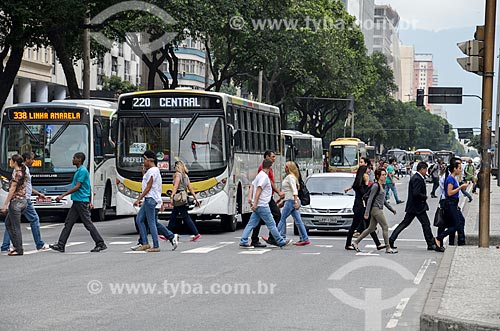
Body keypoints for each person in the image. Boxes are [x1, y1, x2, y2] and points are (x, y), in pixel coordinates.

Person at [49, 152, 107, 253]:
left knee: (88, 224)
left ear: (79, 159)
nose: (72, 160)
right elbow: (88, 187)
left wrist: (63, 195)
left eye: (74, 158)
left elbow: (77, 186)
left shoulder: (82, 171)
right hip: (77, 201)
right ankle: (61, 245)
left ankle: (100, 243)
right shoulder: (79, 170)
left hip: (81, 201)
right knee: (68, 223)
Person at [1, 152, 49, 252]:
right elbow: (14, 188)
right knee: (34, 219)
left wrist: (38, 194)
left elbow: (25, 186)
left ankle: (6, 245)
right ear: (26, 159)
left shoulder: (20, 170)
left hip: (18, 200)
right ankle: (38, 244)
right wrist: (5, 204)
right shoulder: (22, 171)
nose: (33, 161)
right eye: (31, 159)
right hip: (23, 200)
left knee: (10, 222)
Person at [132, 150, 178, 252]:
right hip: (150, 199)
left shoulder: (153, 171)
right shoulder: (152, 171)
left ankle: (156, 245)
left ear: (149, 160)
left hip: (150, 199)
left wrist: (138, 199)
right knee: (139, 219)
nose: (143, 162)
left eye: (144, 159)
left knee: (151, 223)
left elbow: (149, 187)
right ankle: (145, 243)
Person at [240, 159, 292, 248]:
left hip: (258, 205)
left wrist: (250, 198)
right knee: (271, 224)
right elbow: (259, 190)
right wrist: (255, 203)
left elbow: (252, 185)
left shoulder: (259, 175)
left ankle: (243, 240)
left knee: (251, 224)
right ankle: (280, 241)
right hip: (262, 205)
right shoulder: (264, 177)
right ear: (270, 167)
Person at [389, 161, 436, 251]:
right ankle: (430, 243)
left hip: (414, 206)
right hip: (417, 206)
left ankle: (392, 239)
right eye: (425, 169)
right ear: (422, 169)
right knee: (425, 224)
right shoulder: (417, 178)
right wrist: (424, 197)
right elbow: (416, 193)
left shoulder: (417, 177)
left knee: (405, 223)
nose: (426, 171)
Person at [353, 168, 397, 254]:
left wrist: (391, 209)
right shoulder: (375, 186)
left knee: (370, 228)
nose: (384, 176)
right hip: (376, 210)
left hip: (378, 209)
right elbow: (370, 199)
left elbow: (383, 200)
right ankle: (388, 247)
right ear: (378, 176)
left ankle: (356, 242)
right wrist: (366, 213)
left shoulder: (381, 186)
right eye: (383, 175)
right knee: (385, 227)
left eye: (385, 175)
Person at [344, 165, 385, 251]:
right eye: (367, 170)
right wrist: (366, 183)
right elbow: (364, 194)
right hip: (360, 206)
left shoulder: (357, 181)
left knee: (370, 226)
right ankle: (348, 244)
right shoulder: (360, 182)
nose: (368, 172)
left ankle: (378, 244)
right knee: (355, 225)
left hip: (360, 205)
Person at [434, 158, 469, 252]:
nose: (461, 170)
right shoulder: (450, 179)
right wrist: (461, 187)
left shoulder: (453, 178)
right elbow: (449, 193)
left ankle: (449, 242)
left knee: (455, 224)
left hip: (453, 203)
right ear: (454, 168)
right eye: (459, 168)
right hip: (450, 203)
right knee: (456, 224)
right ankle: (438, 238)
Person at [253, 151, 284, 247]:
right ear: (267, 157)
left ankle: (255, 239)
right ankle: (272, 238)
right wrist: (278, 192)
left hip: (267, 197)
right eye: (273, 157)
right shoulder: (264, 168)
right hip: (265, 198)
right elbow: (269, 182)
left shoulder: (268, 168)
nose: (274, 158)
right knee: (277, 214)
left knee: (257, 218)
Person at [1, 155, 28, 256]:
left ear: (15, 162)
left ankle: (19, 249)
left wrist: (5, 204)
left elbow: (12, 189)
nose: (10, 162)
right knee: (8, 223)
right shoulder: (23, 171)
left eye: (11, 161)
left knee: (15, 226)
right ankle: (16, 246)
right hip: (23, 201)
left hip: (16, 202)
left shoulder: (17, 173)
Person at [276, 162, 310, 246]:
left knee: (282, 219)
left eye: (286, 167)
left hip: (291, 201)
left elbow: (294, 190)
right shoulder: (291, 177)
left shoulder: (290, 177)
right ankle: (304, 238)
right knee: (298, 221)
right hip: (290, 200)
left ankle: (275, 237)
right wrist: (281, 200)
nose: (285, 168)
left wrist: (295, 201)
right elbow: (287, 192)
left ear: (290, 168)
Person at [166, 160, 201, 241]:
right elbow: (190, 188)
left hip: (179, 197)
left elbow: (176, 186)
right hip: (184, 197)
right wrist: (196, 198)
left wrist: (172, 195)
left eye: (174, 167)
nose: (174, 168)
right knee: (174, 216)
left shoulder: (177, 175)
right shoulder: (186, 176)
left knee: (181, 216)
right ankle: (168, 233)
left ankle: (196, 233)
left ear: (177, 167)